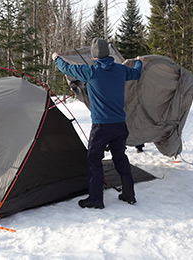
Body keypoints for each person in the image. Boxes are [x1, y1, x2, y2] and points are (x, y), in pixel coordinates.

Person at [52, 38, 143, 209]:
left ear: (94, 56)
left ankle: (96, 199)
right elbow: (137, 73)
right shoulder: (121, 70)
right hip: (120, 124)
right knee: (120, 156)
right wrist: (139, 62)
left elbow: (66, 68)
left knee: (94, 159)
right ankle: (129, 194)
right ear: (108, 54)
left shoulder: (91, 72)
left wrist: (56, 57)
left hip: (101, 126)